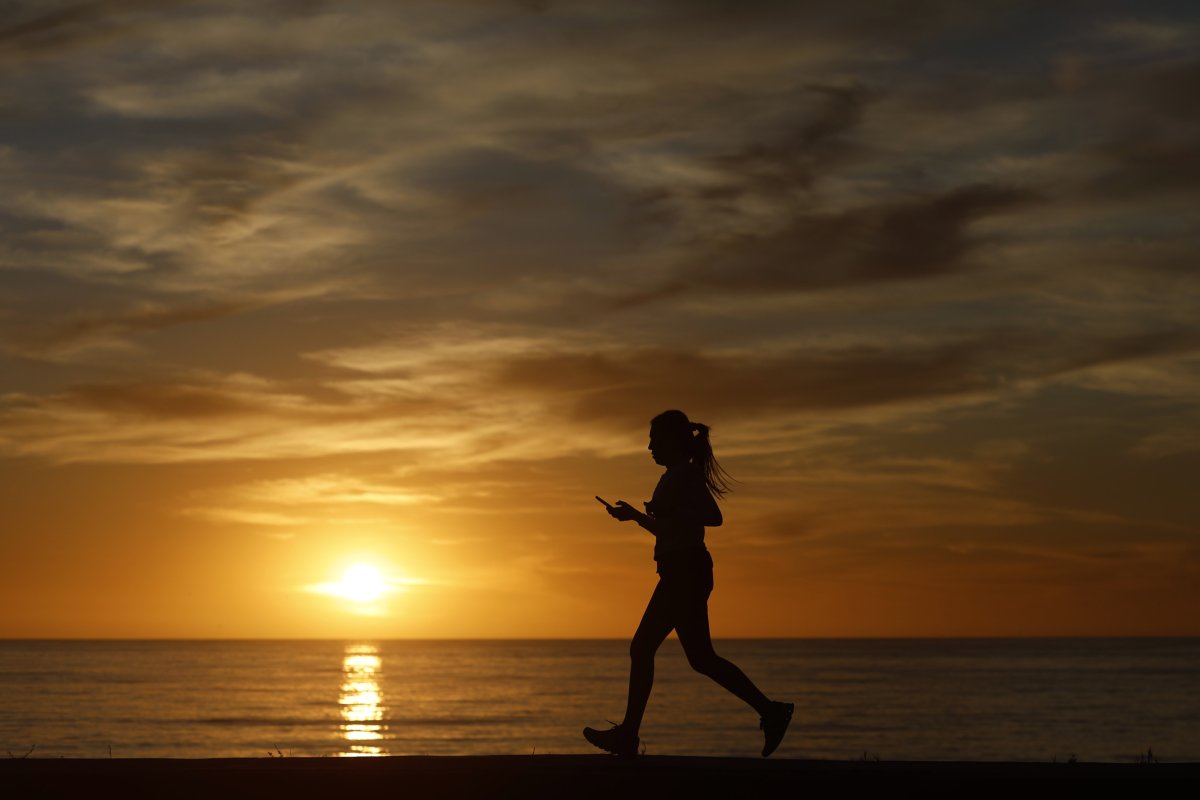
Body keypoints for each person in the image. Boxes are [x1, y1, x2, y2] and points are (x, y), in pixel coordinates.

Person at [585, 409, 793, 758]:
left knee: (643, 647)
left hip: (685, 572)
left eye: (654, 440)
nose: (649, 447)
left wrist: (670, 513)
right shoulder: (673, 476)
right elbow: (670, 528)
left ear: (671, 442)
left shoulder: (684, 475)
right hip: (681, 571)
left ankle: (628, 736)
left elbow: (714, 517)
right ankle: (771, 711)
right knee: (701, 658)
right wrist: (636, 517)